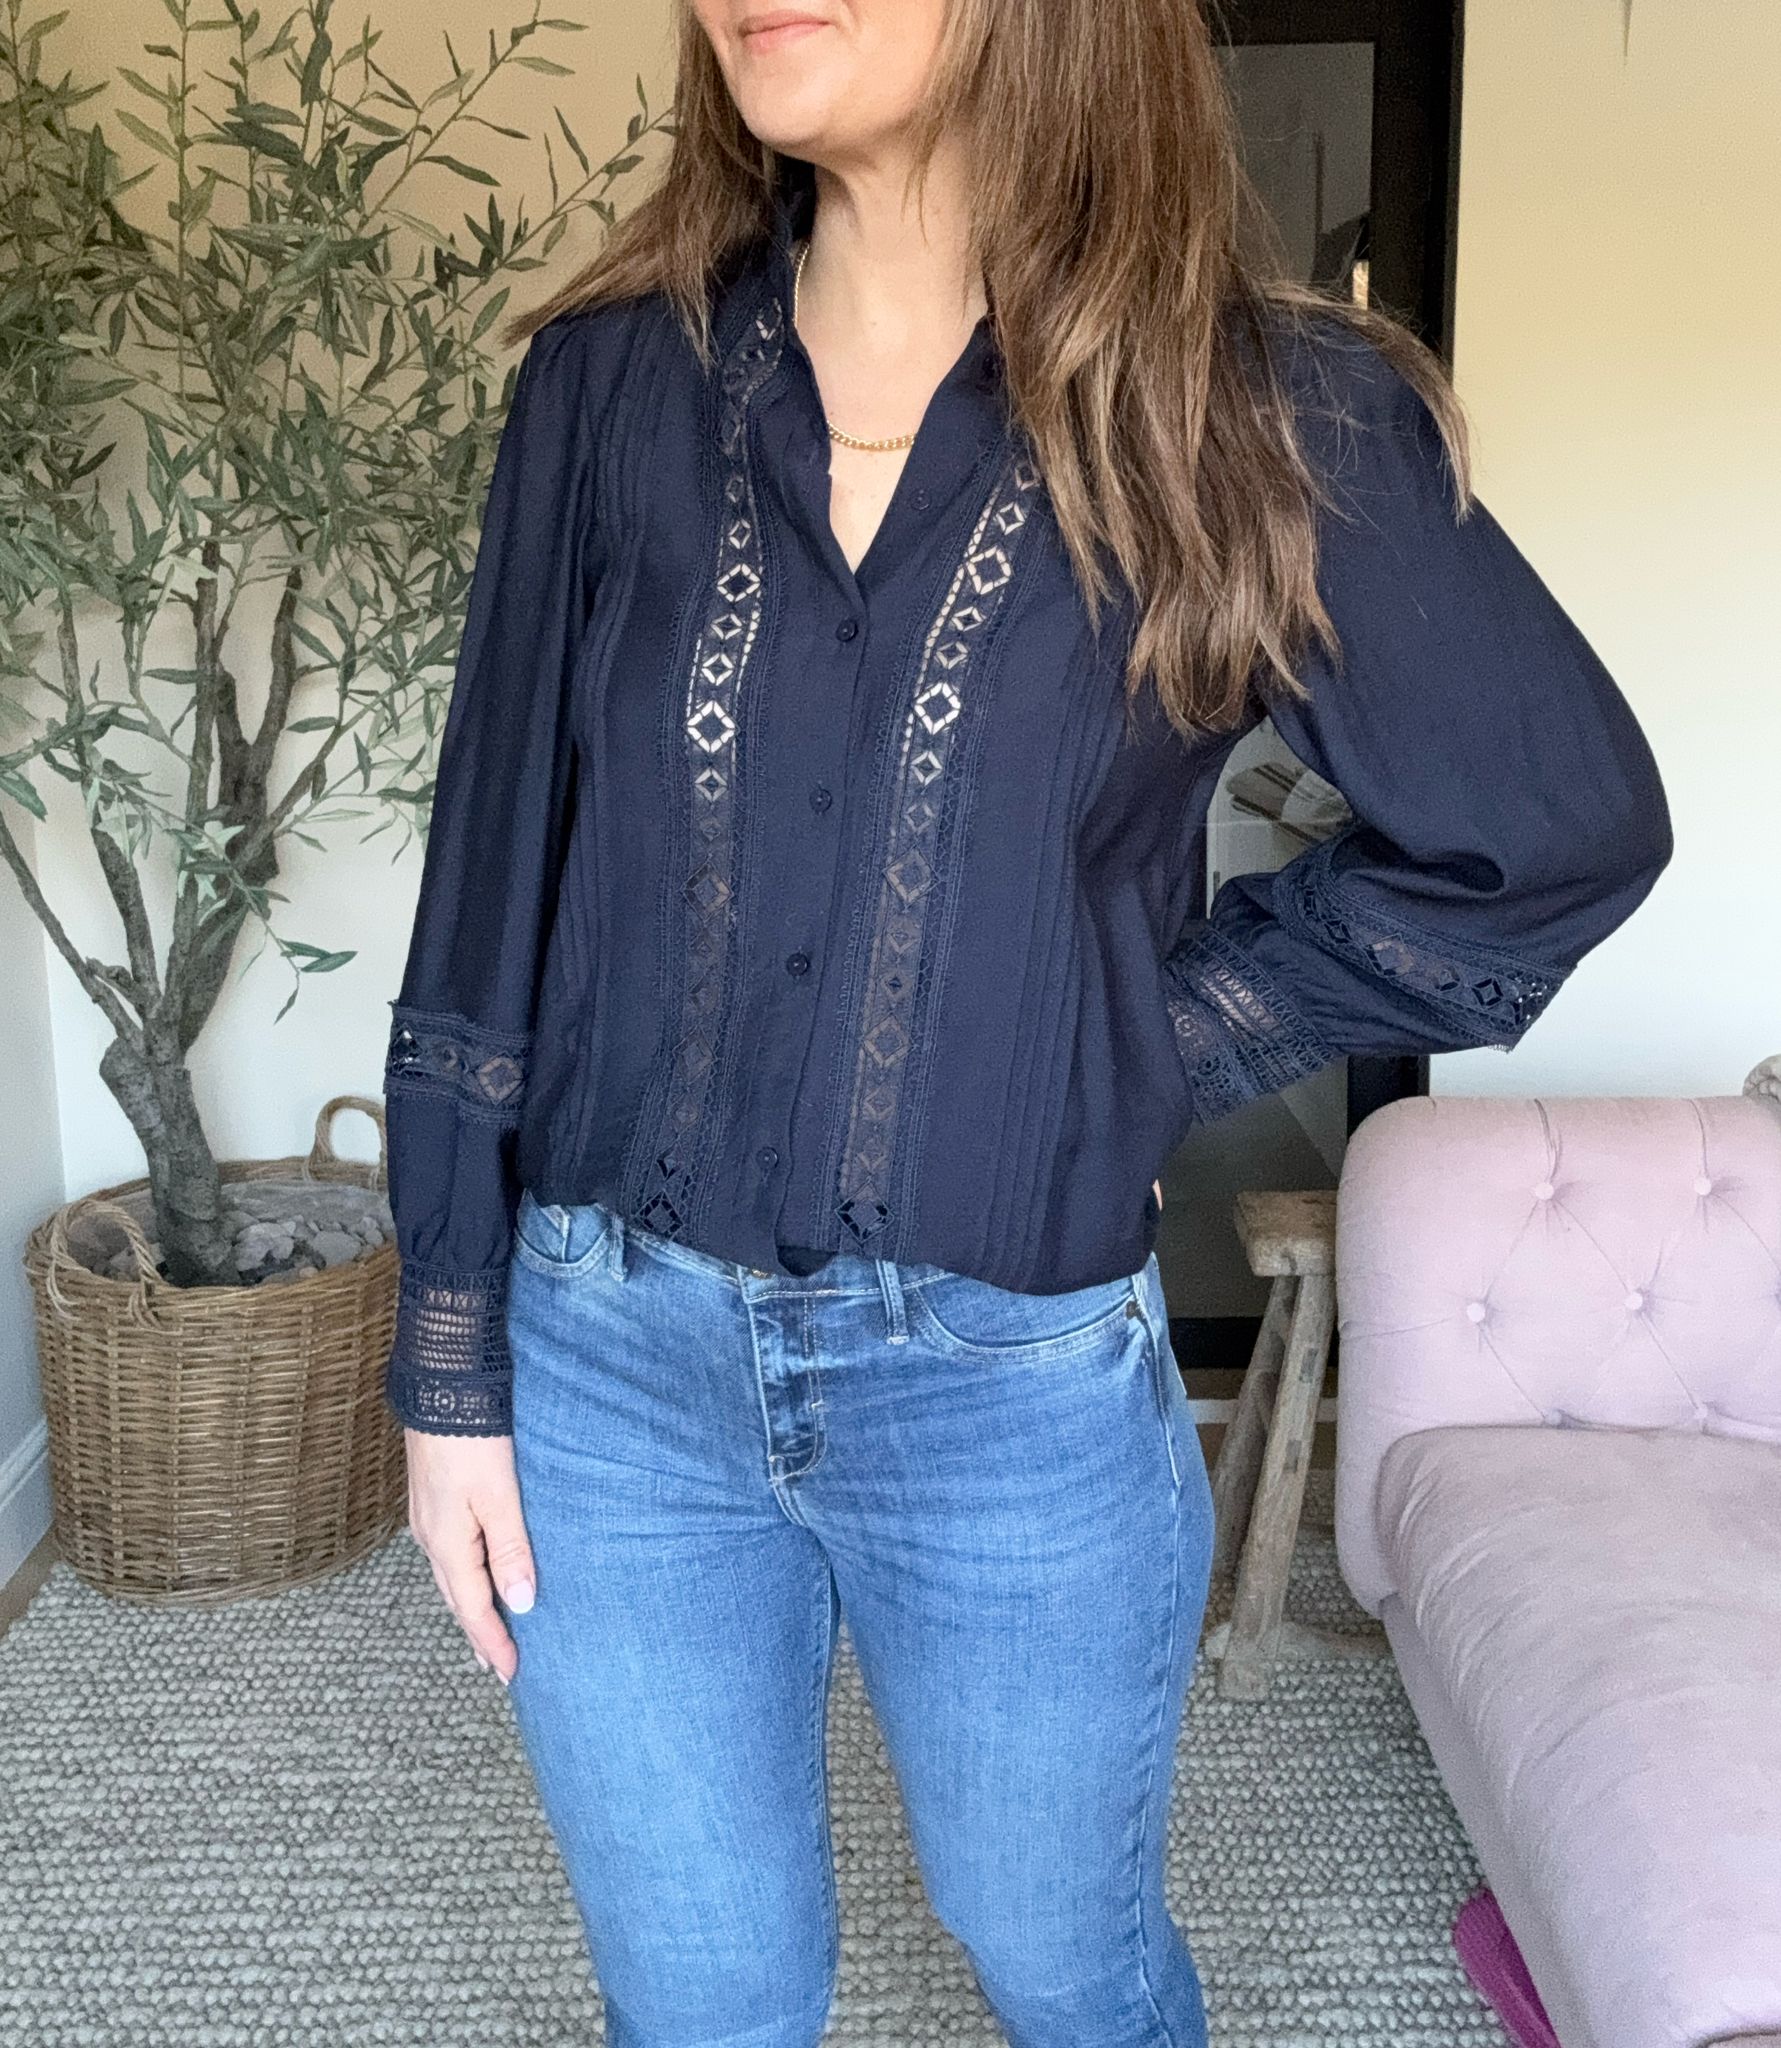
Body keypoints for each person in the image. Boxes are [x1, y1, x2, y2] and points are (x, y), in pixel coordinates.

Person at [380, 2, 1673, 2043]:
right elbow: (487, 884)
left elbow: (1548, 831)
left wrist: (1141, 1041)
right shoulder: (610, 387)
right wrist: (451, 1360)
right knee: (698, 2001)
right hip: (611, 1362)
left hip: (1005, 1377)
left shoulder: (1257, 409)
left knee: (1066, 1965)